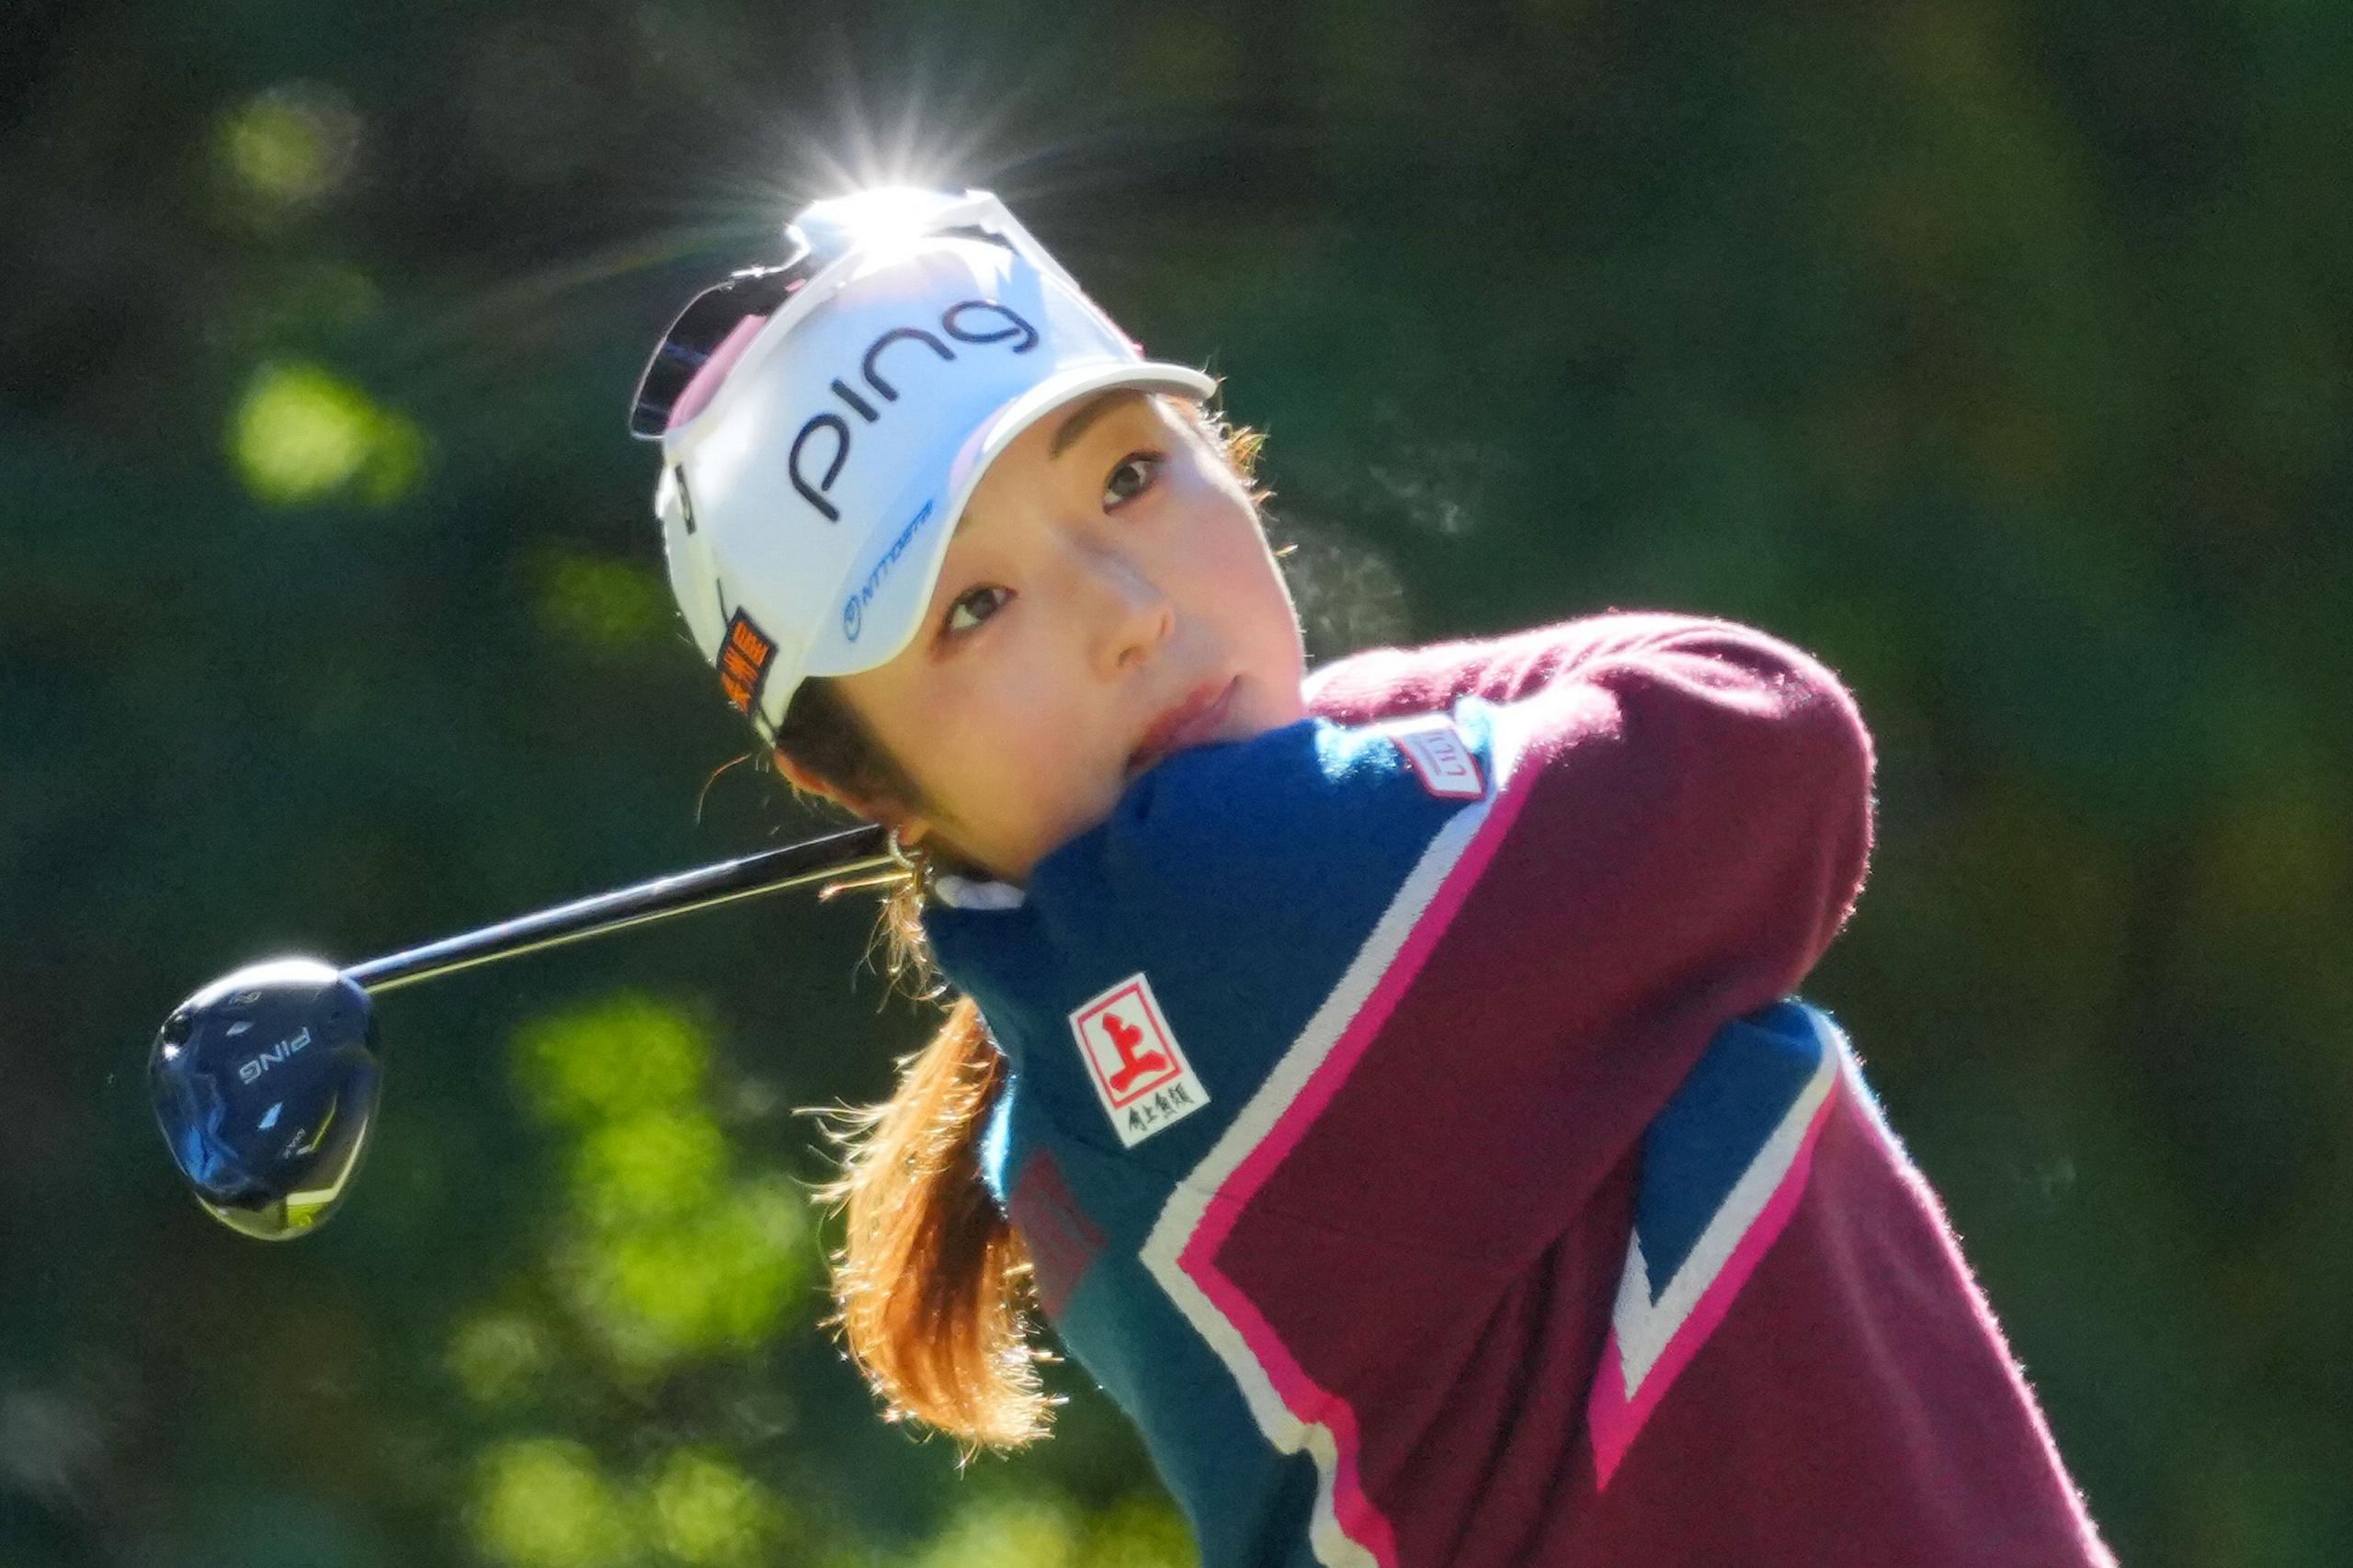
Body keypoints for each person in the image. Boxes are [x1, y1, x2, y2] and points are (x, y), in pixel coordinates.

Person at [629, 187, 2115, 1567]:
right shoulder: (1233, 910)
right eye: (977, 605)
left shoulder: (1066, 1074)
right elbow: (1764, 744)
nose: (1128, 613)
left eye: (1132, 478)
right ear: (864, 779)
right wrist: (1358, 707)